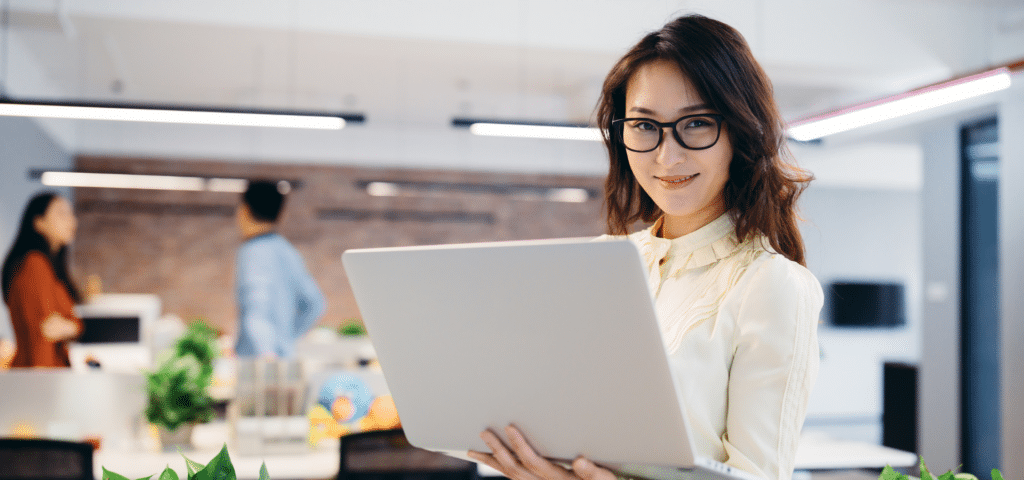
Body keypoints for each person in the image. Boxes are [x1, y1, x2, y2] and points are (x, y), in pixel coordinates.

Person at [467, 14, 822, 480]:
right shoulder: (596, 263)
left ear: (741, 129)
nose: (666, 156)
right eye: (644, 126)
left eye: (696, 123)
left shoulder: (772, 285)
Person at [234, 180, 326, 358]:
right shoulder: (286, 250)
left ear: (244, 211)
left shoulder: (253, 251)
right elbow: (316, 303)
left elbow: (257, 309)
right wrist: (286, 338)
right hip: (284, 356)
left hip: (259, 364)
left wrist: (268, 351)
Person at [1, 192, 83, 368]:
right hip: (40, 375)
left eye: (71, 214)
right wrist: (41, 382)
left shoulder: (52, 269)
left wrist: (71, 327)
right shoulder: (35, 264)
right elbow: (42, 337)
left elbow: (71, 325)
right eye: (62, 214)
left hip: (48, 375)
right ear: (39, 223)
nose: (72, 221)